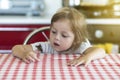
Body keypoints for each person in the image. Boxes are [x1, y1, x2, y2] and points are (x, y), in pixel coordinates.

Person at [12, 7, 106, 67]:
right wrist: (24, 54)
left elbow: (101, 51)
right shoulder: (45, 46)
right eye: (53, 32)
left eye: (64, 35)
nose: (56, 37)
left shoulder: (79, 47)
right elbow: (16, 48)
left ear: (76, 39)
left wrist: (87, 57)